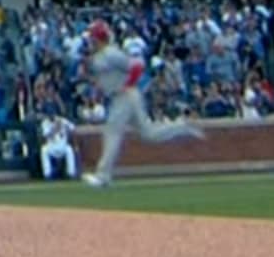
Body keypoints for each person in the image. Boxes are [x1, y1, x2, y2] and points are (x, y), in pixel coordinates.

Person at [82, 24, 203, 187]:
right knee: (149, 134)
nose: (89, 41)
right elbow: (103, 77)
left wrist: (128, 84)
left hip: (125, 95)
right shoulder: (99, 55)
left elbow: (137, 66)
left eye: (92, 37)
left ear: (98, 38)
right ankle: (182, 126)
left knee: (112, 132)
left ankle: (103, 176)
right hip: (121, 96)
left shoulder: (111, 53)